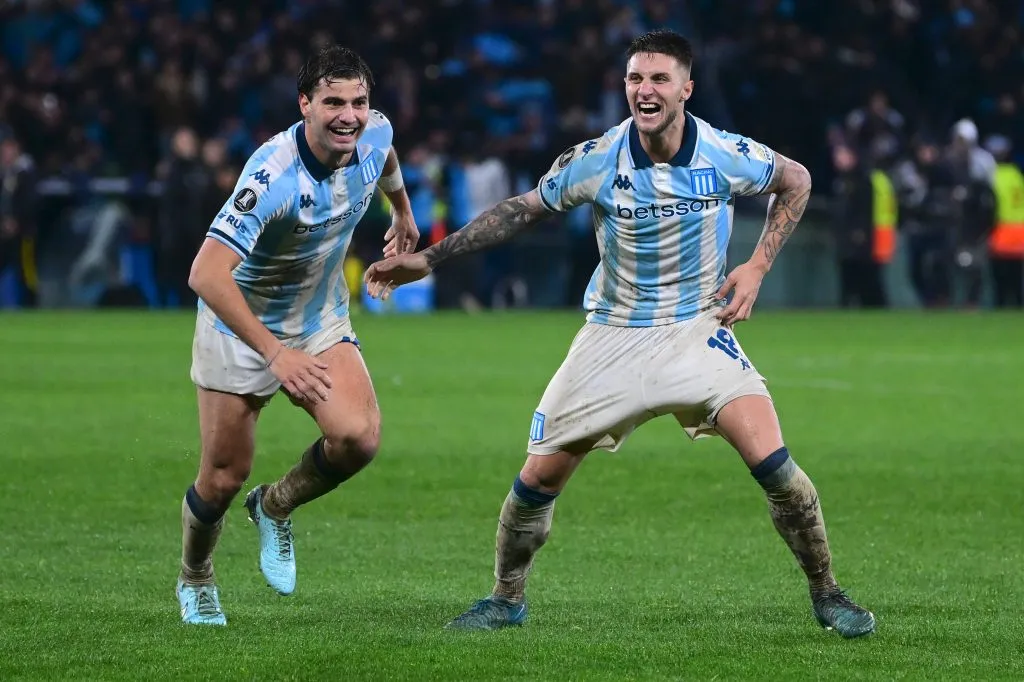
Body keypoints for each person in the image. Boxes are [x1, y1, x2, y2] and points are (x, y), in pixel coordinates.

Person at [365, 30, 875, 638]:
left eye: (659, 79)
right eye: (635, 78)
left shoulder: (724, 152)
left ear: (687, 87)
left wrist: (756, 265)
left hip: (695, 331)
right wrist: (432, 259)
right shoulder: (598, 158)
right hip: (611, 336)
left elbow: (797, 180)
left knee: (778, 469)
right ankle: (505, 597)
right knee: (536, 482)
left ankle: (828, 592)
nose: (645, 89)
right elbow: (524, 209)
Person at [178, 45, 418, 625]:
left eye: (358, 102)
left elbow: (386, 162)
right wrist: (275, 355)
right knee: (221, 478)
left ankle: (275, 506)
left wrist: (402, 214)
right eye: (333, 101)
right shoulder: (273, 175)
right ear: (305, 104)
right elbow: (205, 273)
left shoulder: (375, 133)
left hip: (317, 318)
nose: (349, 115)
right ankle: (196, 576)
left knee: (358, 438)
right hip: (242, 328)